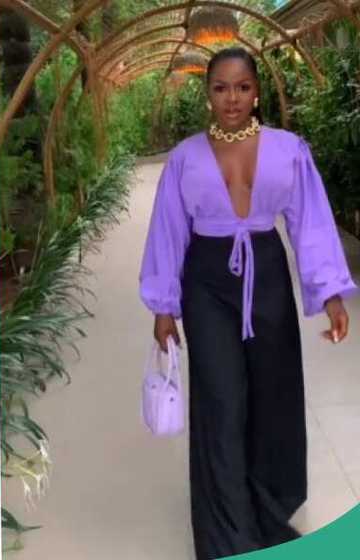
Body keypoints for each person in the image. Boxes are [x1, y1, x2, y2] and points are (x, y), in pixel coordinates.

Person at [139, 48, 355, 559]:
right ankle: (226, 533)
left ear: (256, 91)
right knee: (221, 401)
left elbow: (311, 222)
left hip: (267, 273)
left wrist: (330, 294)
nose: (231, 98)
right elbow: (168, 232)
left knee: (272, 395)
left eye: (241, 87)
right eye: (220, 88)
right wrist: (163, 305)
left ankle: (267, 504)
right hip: (208, 282)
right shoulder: (185, 158)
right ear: (207, 94)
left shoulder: (288, 150)